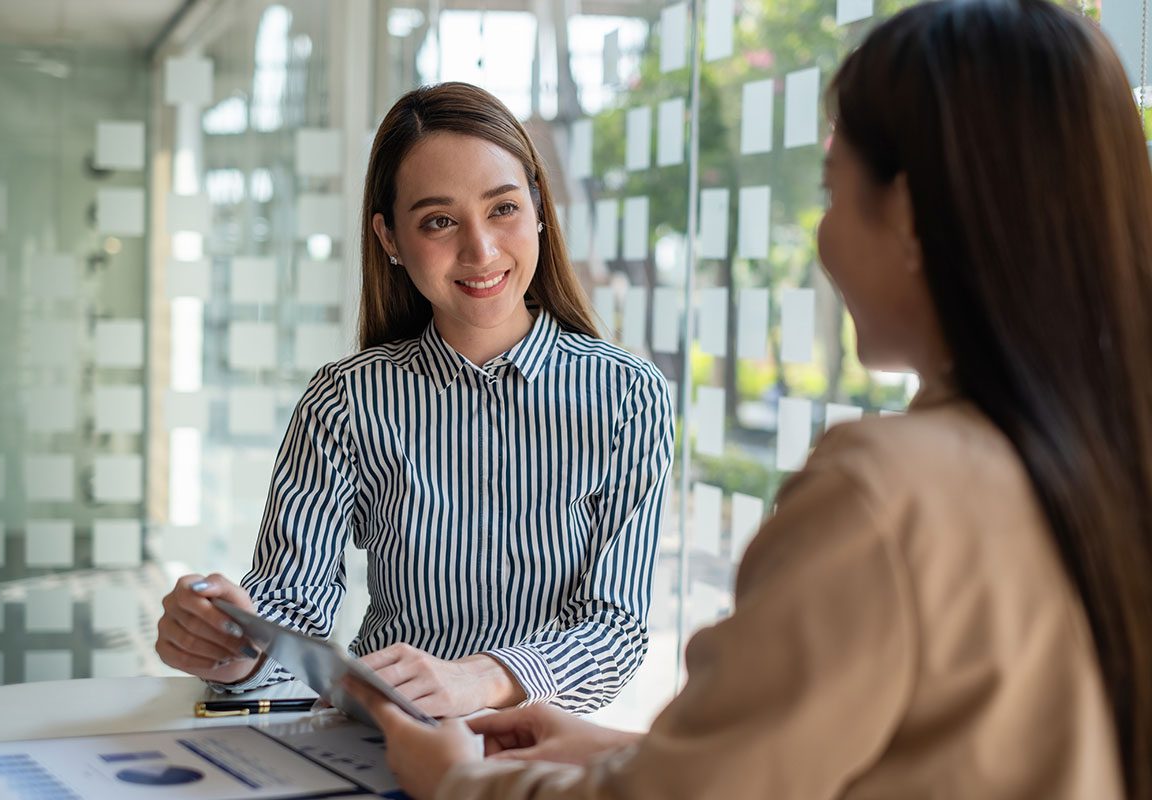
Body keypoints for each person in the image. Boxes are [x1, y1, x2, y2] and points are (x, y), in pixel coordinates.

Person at [348, 1, 1152, 797]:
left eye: (833, 191)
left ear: (905, 214)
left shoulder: (884, 491)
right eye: (439, 222)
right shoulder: (1103, 456)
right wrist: (615, 752)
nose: (823, 237)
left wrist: (456, 781)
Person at [154, 82, 675, 718]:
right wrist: (230, 642)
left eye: (503, 208)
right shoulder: (344, 400)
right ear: (391, 238)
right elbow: (293, 606)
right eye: (438, 221)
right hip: (380, 748)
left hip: (543, 759)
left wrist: (480, 679)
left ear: (540, 209)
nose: (480, 250)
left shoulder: (626, 395)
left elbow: (614, 632)